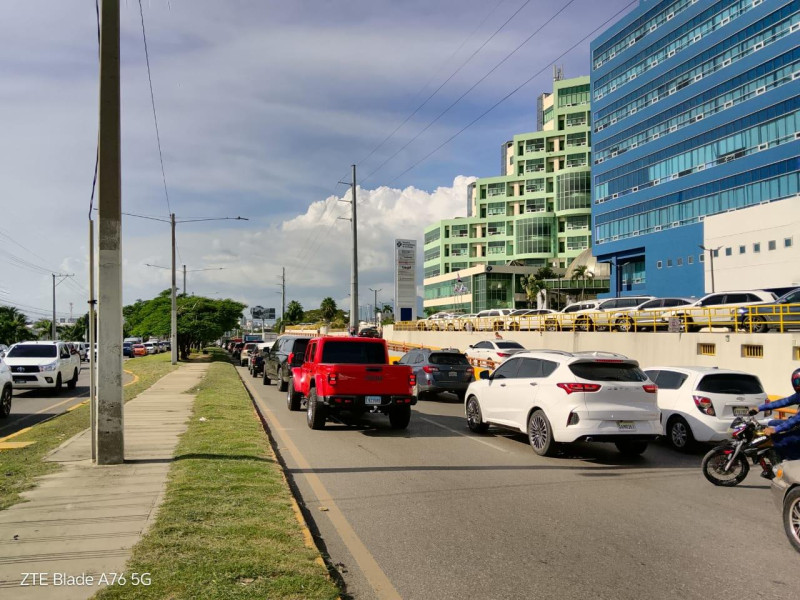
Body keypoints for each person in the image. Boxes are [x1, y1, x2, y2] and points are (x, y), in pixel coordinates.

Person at [756, 367, 800, 468]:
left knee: (780, 440)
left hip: (798, 424)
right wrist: (759, 408)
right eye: (796, 381)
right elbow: (783, 402)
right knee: (771, 423)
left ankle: (791, 464)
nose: (797, 384)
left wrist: (775, 430)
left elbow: (795, 420)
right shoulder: (799, 395)